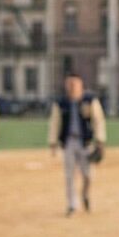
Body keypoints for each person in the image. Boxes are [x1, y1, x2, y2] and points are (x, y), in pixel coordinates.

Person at [47, 73, 107, 216]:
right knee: (69, 175)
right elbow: (55, 122)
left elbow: (98, 120)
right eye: (69, 84)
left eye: (75, 84)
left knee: (88, 175)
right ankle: (72, 204)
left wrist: (100, 140)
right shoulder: (61, 102)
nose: (72, 87)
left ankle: (85, 194)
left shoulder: (89, 100)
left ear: (81, 85)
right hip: (69, 142)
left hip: (85, 142)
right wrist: (53, 141)